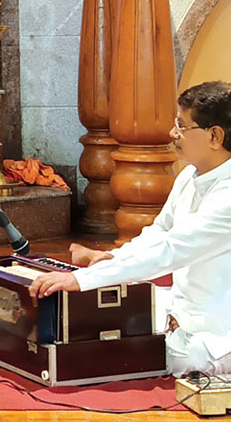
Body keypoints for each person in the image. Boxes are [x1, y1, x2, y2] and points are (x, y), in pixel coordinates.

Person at [29, 81, 231, 377]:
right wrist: (116, 258)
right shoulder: (190, 176)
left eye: (182, 126)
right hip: (181, 307)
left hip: (218, 326)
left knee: (160, 358)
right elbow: (159, 232)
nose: (173, 134)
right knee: (114, 316)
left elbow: (170, 250)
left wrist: (83, 279)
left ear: (215, 136)